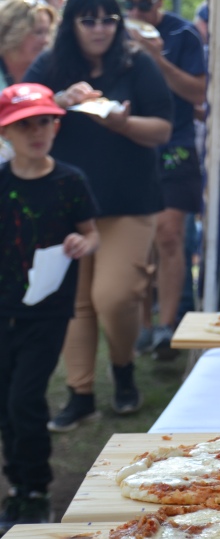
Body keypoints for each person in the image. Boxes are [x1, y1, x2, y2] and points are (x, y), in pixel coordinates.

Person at [24, 0, 173, 429]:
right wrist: (55, 103)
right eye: (89, 20)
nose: (100, 28)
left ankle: (123, 368)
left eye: (109, 19)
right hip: (66, 204)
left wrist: (123, 124)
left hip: (129, 200)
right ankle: (80, 392)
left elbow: (163, 130)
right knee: (75, 302)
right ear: (71, 23)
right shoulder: (50, 64)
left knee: (114, 297)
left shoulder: (137, 64)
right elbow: (18, 114)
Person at [0, 84, 98, 531]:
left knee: (25, 399)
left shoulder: (70, 180)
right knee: (5, 402)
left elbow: (91, 233)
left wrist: (83, 242)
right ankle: (17, 486)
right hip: (4, 309)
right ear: (6, 133)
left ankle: (37, 488)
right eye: (25, 125)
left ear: (56, 125)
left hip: (48, 310)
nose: (37, 132)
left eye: (45, 121)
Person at [117, 0, 207, 357]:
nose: (134, 12)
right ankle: (146, 323)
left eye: (141, 3)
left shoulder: (183, 36)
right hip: (134, 146)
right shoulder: (114, 35)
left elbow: (198, 94)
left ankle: (167, 326)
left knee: (170, 235)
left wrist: (157, 58)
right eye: (128, 3)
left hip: (177, 145)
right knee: (142, 240)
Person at [0, 0, 58, 89]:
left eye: (48, 32)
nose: (45, 40)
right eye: (38, 32)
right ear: (12, 33)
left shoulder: (50, 72)